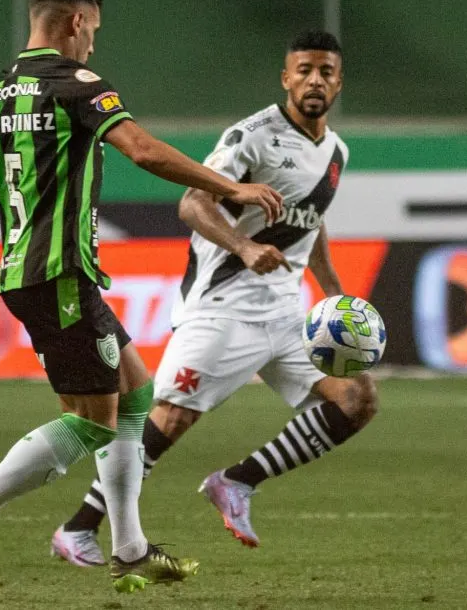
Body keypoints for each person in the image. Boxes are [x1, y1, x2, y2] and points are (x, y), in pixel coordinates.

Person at [0, 0, 283, 595]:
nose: (93, 48)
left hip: (34, 272)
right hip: (58, 276)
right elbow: (144, 151)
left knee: (136, 395)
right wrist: (229, 186)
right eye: (93, 33)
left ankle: (130, 550)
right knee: (92, 421)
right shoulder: (77, 86)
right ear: (75, 23)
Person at [51, 30, 378, 565]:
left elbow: (312, 221)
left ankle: (236, 483)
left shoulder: (336, 151)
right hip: (223, 307)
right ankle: (77, 528)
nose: (314, 80)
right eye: (304, 70)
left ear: (339, 82)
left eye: (325, 72)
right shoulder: (252, 137)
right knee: (170, 419)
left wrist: (337, 294)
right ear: (285, 77)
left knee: (356, 399)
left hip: (285, 312)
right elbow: (192, 204)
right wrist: (245, 247)